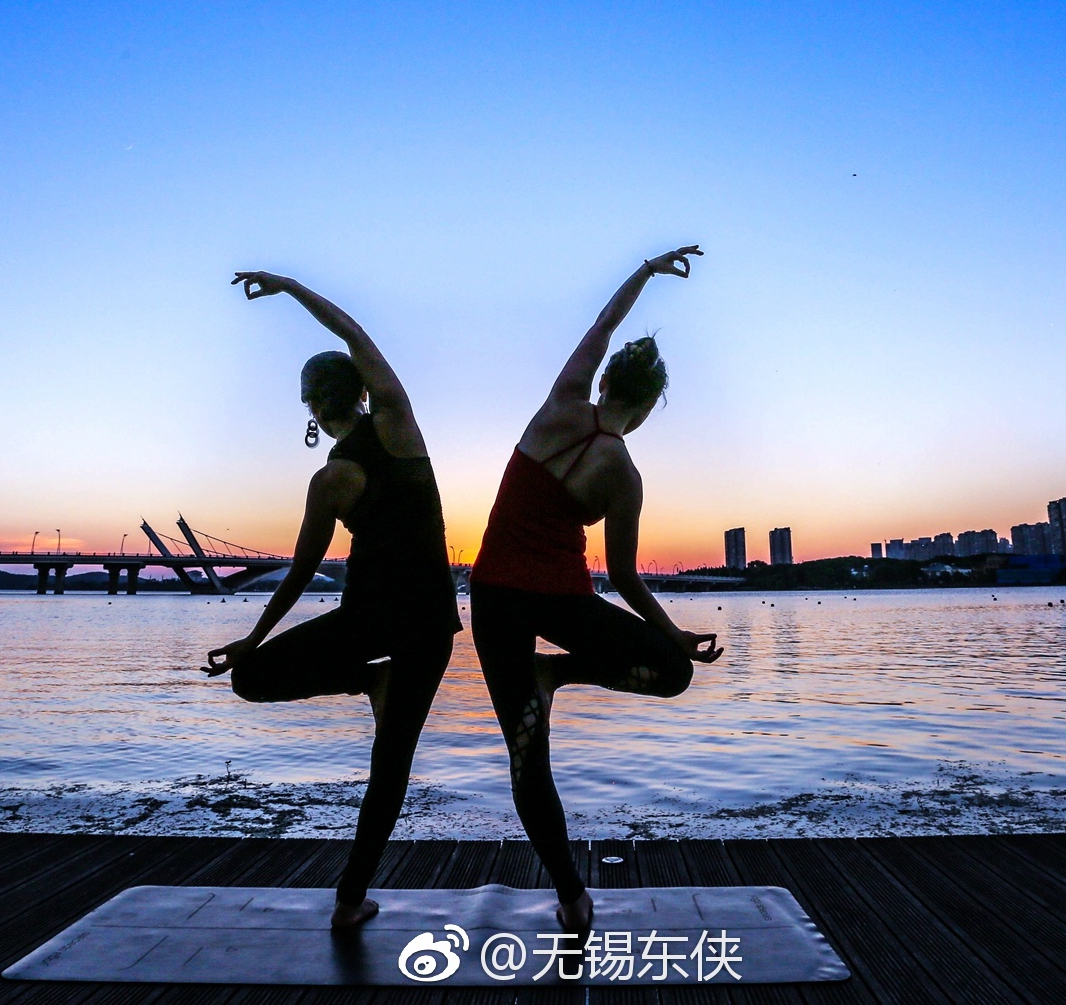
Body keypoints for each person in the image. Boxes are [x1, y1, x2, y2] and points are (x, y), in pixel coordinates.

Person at [469, 246, 722, 934]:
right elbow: (627, 577)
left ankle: (571, 898)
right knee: (671, 674)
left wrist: (646, 271)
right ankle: (559, 672)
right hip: (563, 601)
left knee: (527, 758)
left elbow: (603, 326)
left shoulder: (561, 403)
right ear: (647, 408)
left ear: (606, 380)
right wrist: (674, 635)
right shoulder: (623, 473)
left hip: (493, 597)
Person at [204, 271, 460, 931]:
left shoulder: (331, 479)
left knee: (251, 678)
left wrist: (253, 641)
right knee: (391, 765)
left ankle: (367, 680)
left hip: (367, 617)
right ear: (361, 391)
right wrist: (290, 287)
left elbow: (299, 574)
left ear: (313, 408)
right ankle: (350, 901)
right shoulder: (400, 427)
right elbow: (354, 332)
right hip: (428, 620)